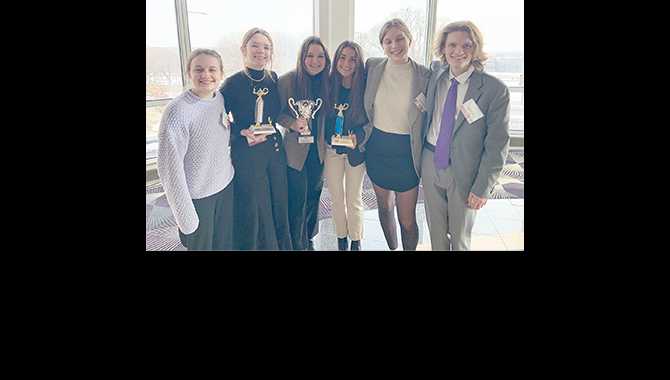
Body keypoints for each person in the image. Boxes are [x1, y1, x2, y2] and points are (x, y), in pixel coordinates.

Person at [421, 20, 510, 250]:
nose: (458, 51)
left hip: (467, 169)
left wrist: (483, 187)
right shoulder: (436, 74)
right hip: (431, 162)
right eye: (452, 45)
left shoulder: (494, 90)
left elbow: (497, 144)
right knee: (436, 233)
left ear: (475, 49)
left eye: (466, 45)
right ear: (443, 48)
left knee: (460, 237)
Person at [360, 18, 431, 251]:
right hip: (377, 149)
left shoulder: (425, 76)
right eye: (388, 41)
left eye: (400, 39)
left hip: (407, 154)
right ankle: (392, 247)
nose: (395, 45)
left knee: (407, 219)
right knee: (385, 207)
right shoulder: (372, 67)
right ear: (382, 45)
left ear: (409, 40)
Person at [219, 28, 292, 250]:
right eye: (255, 45)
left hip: (274, 151)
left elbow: (278, 113)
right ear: (243, 50)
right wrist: (241, 131)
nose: (261, 51)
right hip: (247, 153)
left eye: (266, 47)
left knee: (278, 202)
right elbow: (219, 121)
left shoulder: (273, 79)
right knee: (255, 206)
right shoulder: (232, 84)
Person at [157, 48, 234, 250]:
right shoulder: (177, 111)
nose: (206, 75)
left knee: (224, 245)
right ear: (188, 73)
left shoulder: (219, 99)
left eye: (212, 70)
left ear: (221, 74)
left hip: (224, 187)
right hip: (197, 198)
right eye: (198, 69)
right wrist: (185, 214)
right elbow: (168, 170)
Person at [277, 36, 333, 251]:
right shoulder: (288, 80)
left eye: (320, 56)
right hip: (295, 152)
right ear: (302, 57)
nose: (315, 61)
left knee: (314, 195)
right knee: (297, 199)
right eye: (310, 55)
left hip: (318, 151)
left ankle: (308, 237)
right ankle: (295, 242)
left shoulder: (328, 82)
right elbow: (277, 114)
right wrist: (292, 123)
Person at [323, 41, 368, 251]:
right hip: (332, 151)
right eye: (342, 57)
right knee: (336, 199)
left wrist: (358, 137)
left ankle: (356, 241)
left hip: (355, 152)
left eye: (352, 59)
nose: (347, 63)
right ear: (336, 59)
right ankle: (341, 239)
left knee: (354, 198)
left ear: (358, 63)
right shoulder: (328, 84)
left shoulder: (365, 87)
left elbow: (371, 120)